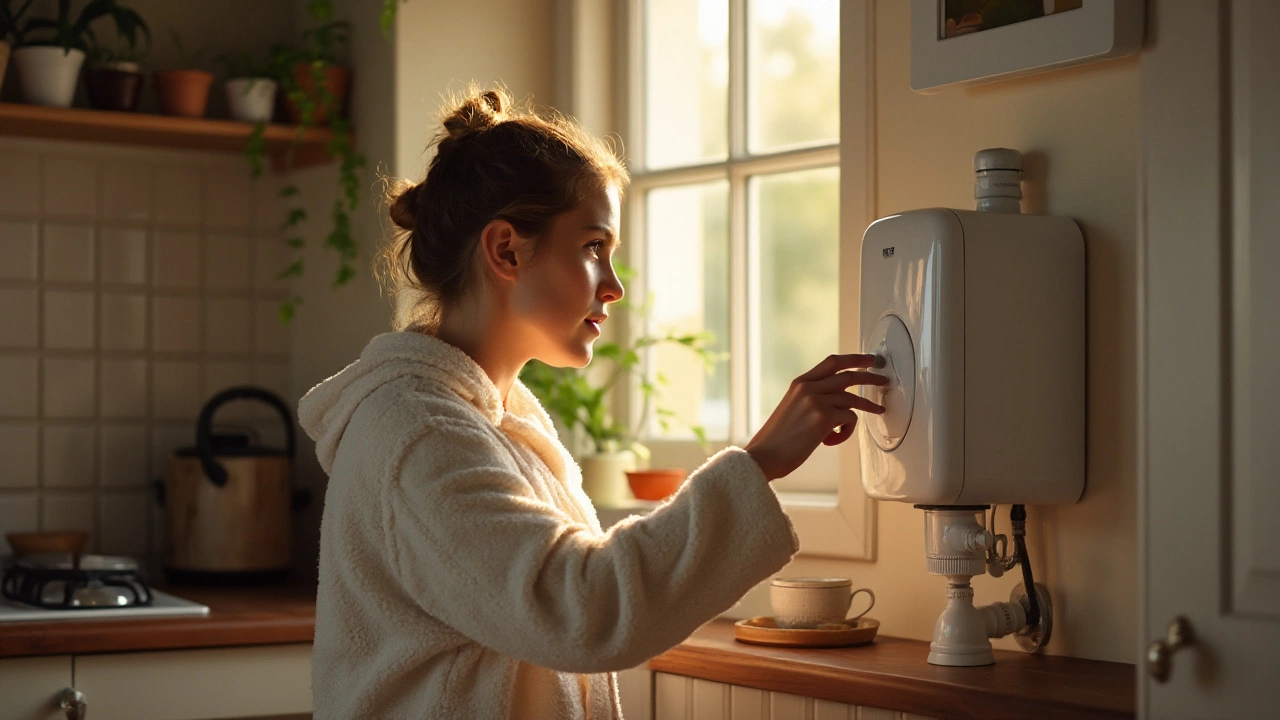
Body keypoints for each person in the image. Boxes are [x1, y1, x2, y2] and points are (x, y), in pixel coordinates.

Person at [297, 86, 887, 719]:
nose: (614, 286)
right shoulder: (416, 432)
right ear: (506, 250)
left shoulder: (500, 420)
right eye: (592, 248)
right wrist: (760, 461)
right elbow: (583, 611)